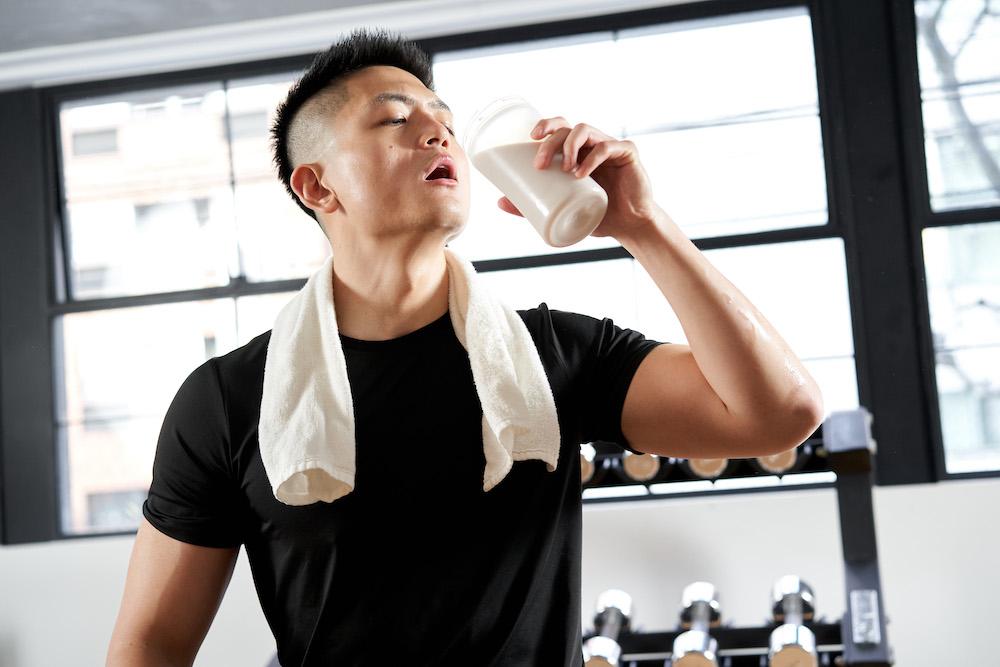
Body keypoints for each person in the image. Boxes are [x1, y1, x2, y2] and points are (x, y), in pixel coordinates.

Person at [106, 26, 824, 667]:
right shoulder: (230, 400)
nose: (438, 133)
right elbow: (152, 645)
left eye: (444, 122)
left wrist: (641, 223)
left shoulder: (552, 354)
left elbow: (779, 413)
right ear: (318, 186)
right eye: (396, 118)